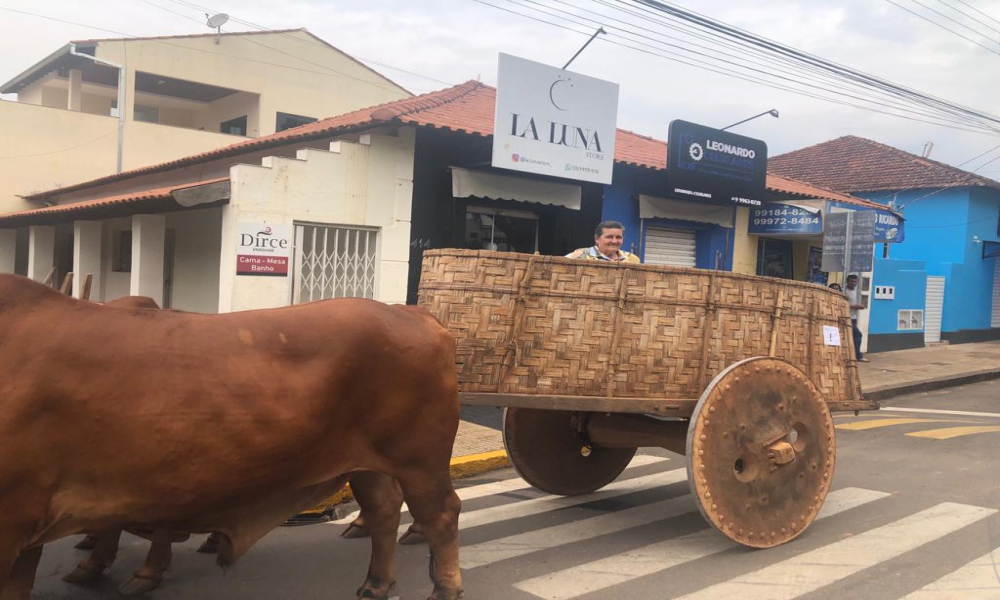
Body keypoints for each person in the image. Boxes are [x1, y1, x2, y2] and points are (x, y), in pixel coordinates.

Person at [565, 220, 641, 263]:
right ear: (597, 238)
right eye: (609, 237)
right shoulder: (579, 256)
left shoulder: (632, 259)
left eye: (618, 237)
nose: (614, 241)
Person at [844, 274, 869, 362]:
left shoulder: (856, 292)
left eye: (855, 281)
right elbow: (842, 304)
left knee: (851, 336)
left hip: (853, 317)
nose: (853, 283)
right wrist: (854, 306)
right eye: (851, 281)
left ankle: (851, 354)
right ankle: (858, 356)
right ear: (847, 281)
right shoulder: (844, 291)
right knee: (858, 334)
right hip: (846, 317)